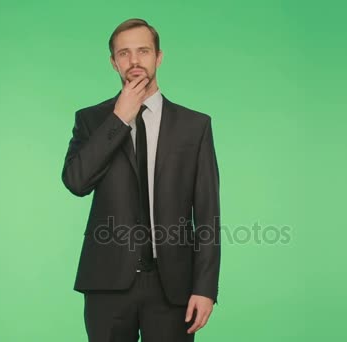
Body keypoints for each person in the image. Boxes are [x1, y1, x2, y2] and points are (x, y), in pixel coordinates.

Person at [61, 18, 221, 342]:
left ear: (158, 57)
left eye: (143, 51)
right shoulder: (91, 120)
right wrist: (119, 118)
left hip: (172, 287)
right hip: (106, 284)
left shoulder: (195, 126)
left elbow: (207, 213)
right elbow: (76, 182)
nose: (134, 61)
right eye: (124, 53)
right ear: (113, 61)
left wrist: (205, 288)